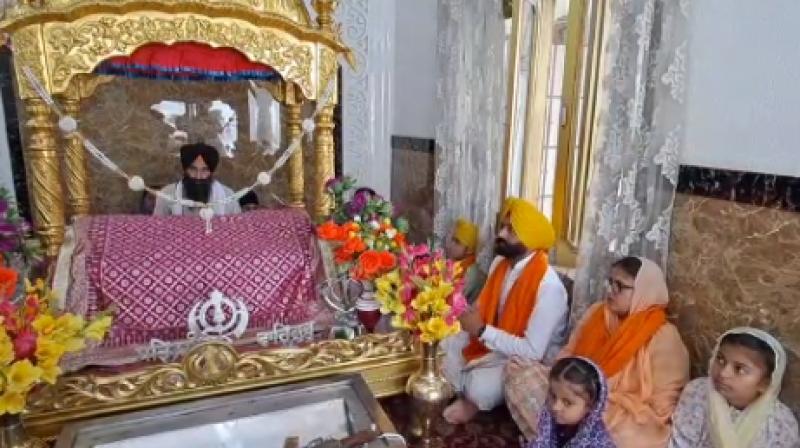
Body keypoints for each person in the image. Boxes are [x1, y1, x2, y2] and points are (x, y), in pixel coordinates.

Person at [505, 257, 690, 447]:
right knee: (519, 371)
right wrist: (570, 391)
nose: (611, 291)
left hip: (619, 416)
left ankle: (555, 437)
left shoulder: (664, 336)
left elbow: (663, 407)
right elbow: (569, 355)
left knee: (618, 430)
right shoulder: (597, 313)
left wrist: (600, 402)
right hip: (574, 393)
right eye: (610, 282)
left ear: (645, 291)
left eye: (620, 286)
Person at [441, 197, 569, 424]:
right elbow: (481, 309)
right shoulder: (499, 265)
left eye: (511, 230)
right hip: (494, 341)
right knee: (442, 344)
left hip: (524, 361)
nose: (501, 234)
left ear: (530, 239)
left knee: (479, 388)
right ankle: (460, 386)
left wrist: (481, 331)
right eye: (503, 226)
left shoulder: (549, 288)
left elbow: (531, 352)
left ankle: (471, 400)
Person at [668, 328, 799, 448]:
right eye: (720, 360)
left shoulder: (780, 424)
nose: (723, 373)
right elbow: (681, 443)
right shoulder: (697, 393)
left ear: (765, 383)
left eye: (739, 369)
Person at [529, 356, 615, 448]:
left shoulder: (598, 444)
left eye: (567, 403)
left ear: (591, 407)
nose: (555, 407)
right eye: (553, 396)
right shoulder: (546, 421)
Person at [153, 142, 240, 216]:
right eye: (193, 169)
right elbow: (157, 230)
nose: (198, 176)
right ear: (185, 169)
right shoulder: (167, 195)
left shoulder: (228, 197)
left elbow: (238, 231)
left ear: (211, 172)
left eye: (204, 170)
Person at [445, 218, 487, 304]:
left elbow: (452, 302)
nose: (451, 245)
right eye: (452, 239)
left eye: (457, 242)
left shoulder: (471, 272)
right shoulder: (457, 263)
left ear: (469, 250)